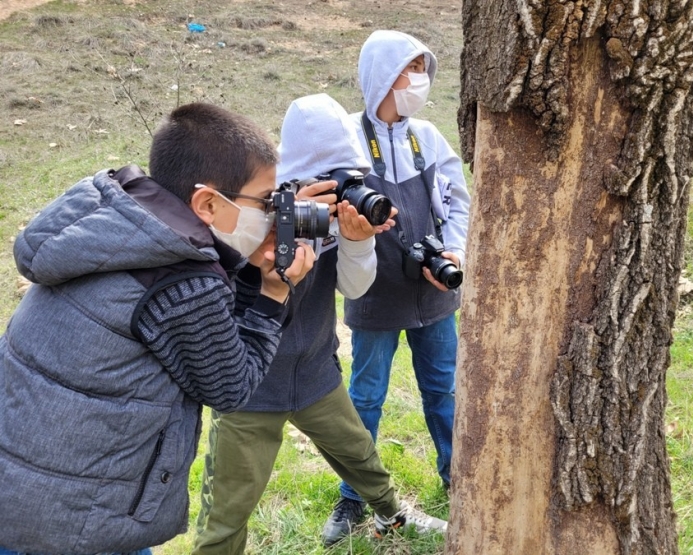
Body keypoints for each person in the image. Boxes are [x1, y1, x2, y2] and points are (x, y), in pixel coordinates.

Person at [0, 102, 316, 555]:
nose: (272, 214)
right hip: (78, 521)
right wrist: (274, 291)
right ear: (208, 202)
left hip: (22, 481)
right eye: (265, 202)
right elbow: (231, 386)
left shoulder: (120, 223)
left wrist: (242, 261)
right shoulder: (180, 282)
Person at [191, 93, 448, 554]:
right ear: (297, 173)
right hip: (250, 384)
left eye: (348, 177)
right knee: (228, 509)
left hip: (314, 371)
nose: (339, 190)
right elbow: (218, 281)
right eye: (328, 178)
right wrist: (278, 224)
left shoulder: (339, 216)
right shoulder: (257, 214)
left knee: (360, 455)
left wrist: (355, 242)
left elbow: (353, 290)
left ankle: (394, 516)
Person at [325, 30, 471, 536]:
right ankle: (354, 497)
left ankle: (461, 480)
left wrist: (454, 252)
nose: (420, 80)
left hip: (434, 289)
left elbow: (458, 204)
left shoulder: (427, 138)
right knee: (364, 398)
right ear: (382, 77)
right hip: (371, 290)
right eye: (409, 70)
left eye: (422, 68)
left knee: (444, 390)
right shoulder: (343, 137)